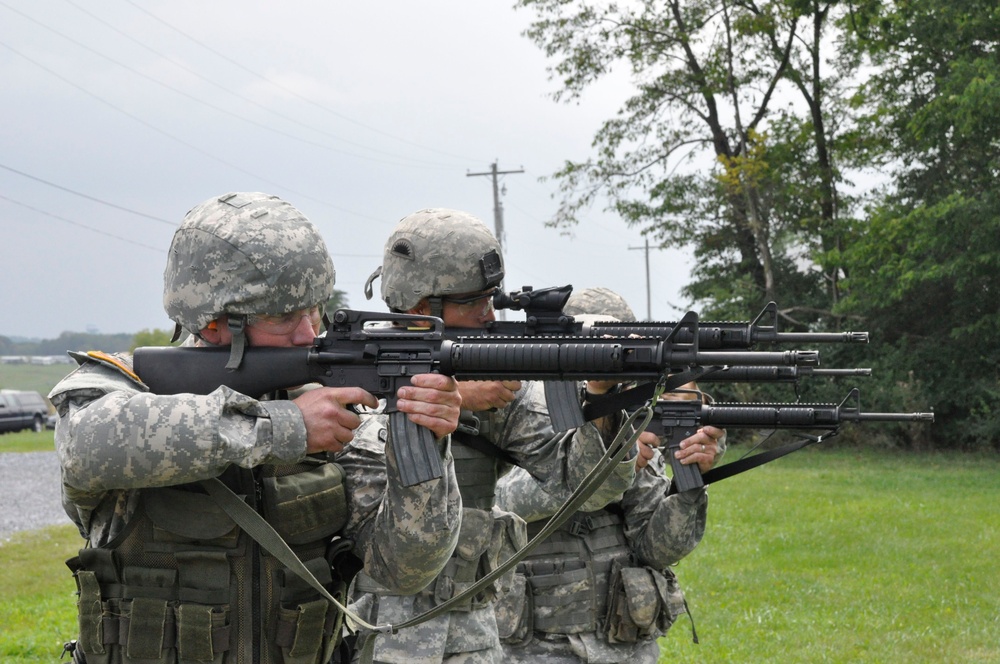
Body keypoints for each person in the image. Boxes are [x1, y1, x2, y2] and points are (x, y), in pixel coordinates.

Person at [48, 192, 463, 664]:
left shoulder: (327, 403)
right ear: (212, 322)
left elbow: (405, 568)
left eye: (315, 309)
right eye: (285, 316)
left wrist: (427, 439)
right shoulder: (124, 385)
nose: (309, 333)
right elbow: (88, 446)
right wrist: (283, 428)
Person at [351, 209, 641, 664]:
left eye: (493, 298)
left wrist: (603, 398)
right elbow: (344, 450)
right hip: (374, 630)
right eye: (474, 301)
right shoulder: (350, 362)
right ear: (421, 306)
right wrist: (452, 399)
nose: (490, 315)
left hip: (473, 632)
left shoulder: (500, 390)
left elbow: (588, 487)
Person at [492, 286, 725, 664]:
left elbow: (657, 549)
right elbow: (499, 500)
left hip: (622, 639)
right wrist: (605, 464)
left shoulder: (630, 414)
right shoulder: (520, 409)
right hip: (531, 644)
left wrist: (688, 482)